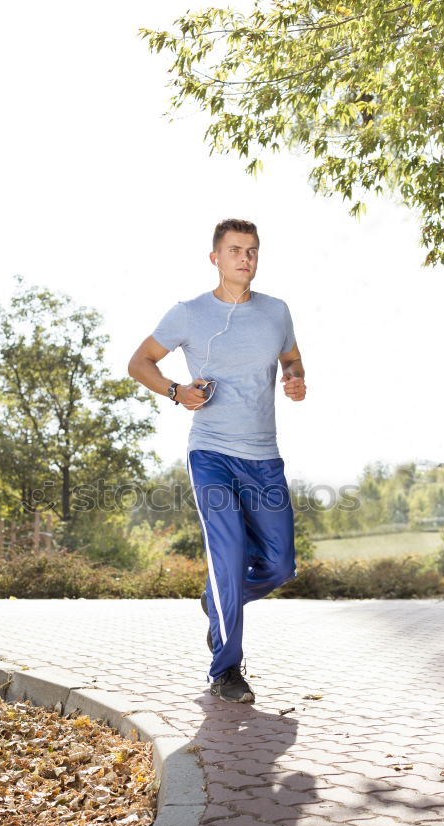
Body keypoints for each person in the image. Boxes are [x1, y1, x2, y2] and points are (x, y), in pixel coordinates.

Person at [127, 219, 307, 703]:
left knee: (281, 564)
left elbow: (292, 358)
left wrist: (294, 378)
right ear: (215, 258)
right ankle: (226, 670)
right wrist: (175, 391)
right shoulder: (189, 313)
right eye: (234, 250)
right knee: (226, 557)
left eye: (251, 250)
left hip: (264, 456)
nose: (244, 258)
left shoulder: (276, 311)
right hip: (210, 453)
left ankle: (217, 601)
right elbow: (139, 361)